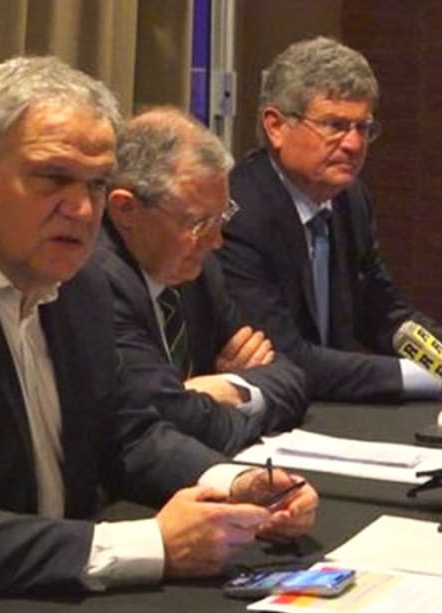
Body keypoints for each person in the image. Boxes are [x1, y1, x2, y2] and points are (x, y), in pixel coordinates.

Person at [0, 56, 318, 597]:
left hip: (43, 597)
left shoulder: (78, 281)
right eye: (52, 178)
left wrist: (236, 484)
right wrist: (153, 544)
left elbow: (128, 432)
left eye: (94, 185)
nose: (83, 211)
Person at [220, 36, 442, 402]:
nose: (354, 145)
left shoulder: (349, 199)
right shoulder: (239, 215)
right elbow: (286, 357)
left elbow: (383, 313)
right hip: (271, 421)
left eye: (363, 128)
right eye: (335, 125)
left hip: (329, 409)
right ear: (276, 126)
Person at [93, 106, 309, 455]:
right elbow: (177, 419)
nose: (216, 241)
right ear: (125, 209)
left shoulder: (197, 269)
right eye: (198, 223)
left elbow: (291, 375)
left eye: (221, 217)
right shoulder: (98, 283)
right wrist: (188, 401)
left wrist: (234, 388)